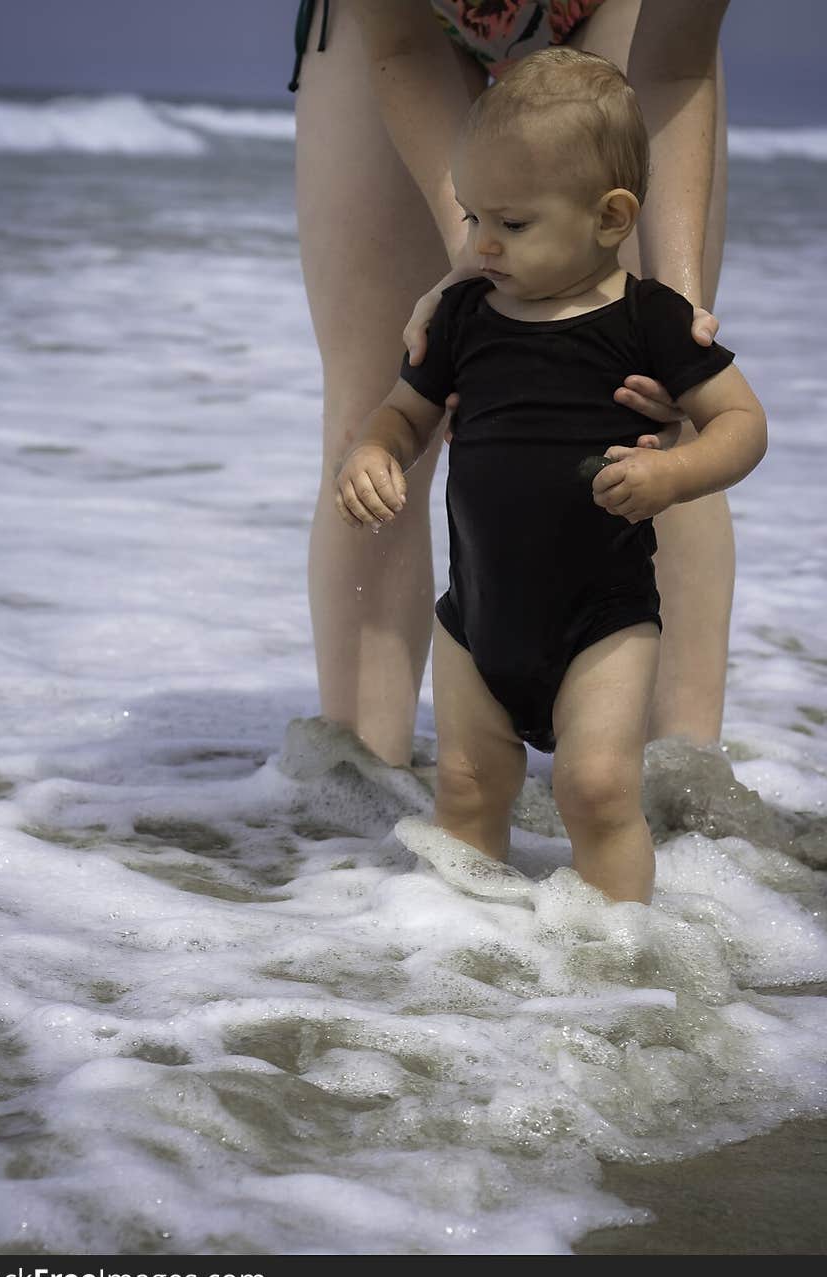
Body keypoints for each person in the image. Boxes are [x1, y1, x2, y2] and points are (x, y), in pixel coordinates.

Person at [332, 49, 766, 903]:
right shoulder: (463, 316)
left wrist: (676, 475)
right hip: (478, 618)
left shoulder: (653, 322)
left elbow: (742, 427)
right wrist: (374, 452)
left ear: (610, 217)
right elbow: (405, 413)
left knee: (599, 791)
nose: (482, 243)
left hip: (601, 620)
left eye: (514, 223)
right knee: (462, 787)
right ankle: (467, 961)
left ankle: (611, 964)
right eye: (472, 216)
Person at [294, 0, 731, 767]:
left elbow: (676, 61)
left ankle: (677, 790)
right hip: (407, 27)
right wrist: (476, 244)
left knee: (659, 410)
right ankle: (354, 807)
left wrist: (679, 302)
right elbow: (398, 44)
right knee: (376, 406)